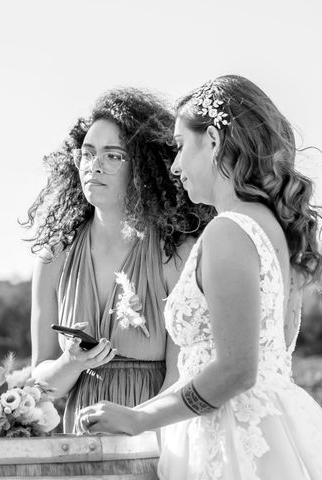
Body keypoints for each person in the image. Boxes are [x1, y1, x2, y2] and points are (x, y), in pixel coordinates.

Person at [77, 75, 322, 479]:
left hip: (227, 445)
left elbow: (236, 370)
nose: (174, 166)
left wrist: (140, 420)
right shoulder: (274, 229)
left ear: (212, 139)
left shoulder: (229, 230)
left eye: (179, 146)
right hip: (268, 431)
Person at [25, 88, 214, 433]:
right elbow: (39, 386)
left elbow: (180, 375)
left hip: (155, 438)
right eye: (87, 153)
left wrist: (135, 426)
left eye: (113, 156)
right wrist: (70, 362)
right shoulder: (54, 256)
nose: (94, 165)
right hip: (78, 442)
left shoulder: (176, 252)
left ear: (143, 167)